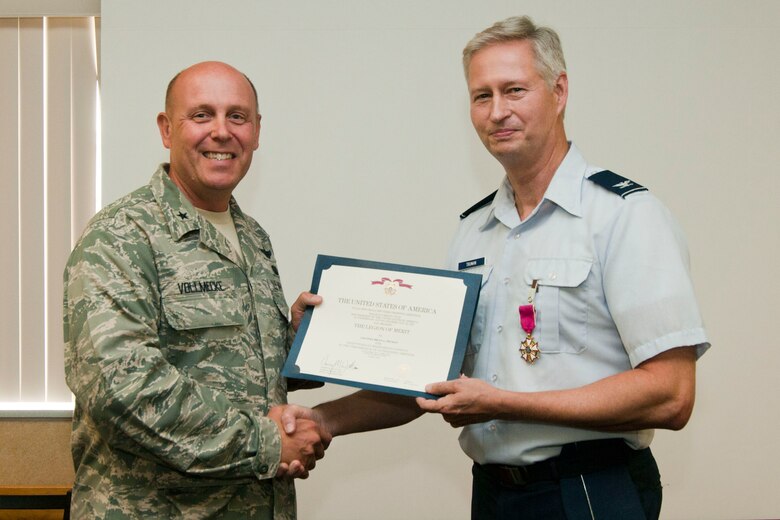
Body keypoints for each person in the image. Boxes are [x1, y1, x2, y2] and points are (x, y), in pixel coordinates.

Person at [282, 15, 709, 520]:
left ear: (559, 90)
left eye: (514, 90)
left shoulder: (624, 216)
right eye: (481, 96)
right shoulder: (474, 232)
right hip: (495, 493)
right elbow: (428, 379)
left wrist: (503, 402)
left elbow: (671, 395)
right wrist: (322, 414)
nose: (497, 111)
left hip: (589, 489)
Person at [63, 61, 327, 519]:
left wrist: (297, 339)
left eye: (237, 117)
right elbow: (120, 389)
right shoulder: (121, 236)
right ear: (167, 130)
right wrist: (267, 442)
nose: (221, 132)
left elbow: (222, 358)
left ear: (257, 131)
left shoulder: (251, 237)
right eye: (202, 115)